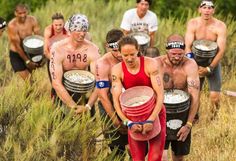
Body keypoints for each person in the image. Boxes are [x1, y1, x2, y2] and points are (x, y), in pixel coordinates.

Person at [111, 36, 166, 161]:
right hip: (133, 115)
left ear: (138, 50)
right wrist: (128, 122)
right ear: (119, 53)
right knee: (137, 158)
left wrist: (151, 120)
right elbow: (116, 101)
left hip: (155, 112)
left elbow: (161, 95)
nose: (129, 58)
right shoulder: (117, 70)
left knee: (155, 157)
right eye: (125, 55)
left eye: (132, 54)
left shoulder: (150, 64)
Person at [157, 34, 200, 161]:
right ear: (166, 50)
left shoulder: (190, 65)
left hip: (182, 113)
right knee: (161, 155)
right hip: (161, 112)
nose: (176, 57)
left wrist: (189, 124)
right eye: (173, 54)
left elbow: (195, 96)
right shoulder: (156, 63)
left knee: (179, 155)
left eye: (180, 54)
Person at [49, 13, 100, 114]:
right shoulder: (57, 48)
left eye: (84, 30)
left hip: (84, 91)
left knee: (87, 127)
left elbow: (100, 81)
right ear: (70, 30)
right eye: (78, 30)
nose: (82, 34)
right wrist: (73, 106)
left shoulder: (93, 49)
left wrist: (88, 106)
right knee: (59, 124)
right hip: (63, 90)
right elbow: (56, 83)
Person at [185, 0, 227, 119]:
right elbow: (187, 46)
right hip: (195, 62)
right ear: (199, 9)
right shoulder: (193, 23)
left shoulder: (220, 26)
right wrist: (193, 65)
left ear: (213, 10)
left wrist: (210, 68)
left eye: (210, 7)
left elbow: (221, 50)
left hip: (212, 62)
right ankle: (194, 118)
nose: (207, 10)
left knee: (215, 96)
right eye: (204, 7)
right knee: (194, 94)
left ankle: (213, 119)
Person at [95, 29, 128, 157]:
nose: (119, 54)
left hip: (130, 102)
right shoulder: (103, 64)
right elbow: (102, 96)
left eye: (121, 49)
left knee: (136, 148)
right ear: (107, 47)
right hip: (109, 103)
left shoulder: (132, 54)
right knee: (116, 149)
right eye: (115, 50)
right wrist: (115, 120)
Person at [7, 4, 41, 80]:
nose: (22, 15)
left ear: (27, 12)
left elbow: (39, 37)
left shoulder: (32, 20)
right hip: (16, 54)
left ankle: (30, 92)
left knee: (32, 79)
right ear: (15, 13)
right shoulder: (12, 25)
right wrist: (28, 61)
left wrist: (40, 54)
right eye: (20, 13)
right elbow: (17, 45)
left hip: (28, 51)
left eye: (24, 12)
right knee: (29, 80)